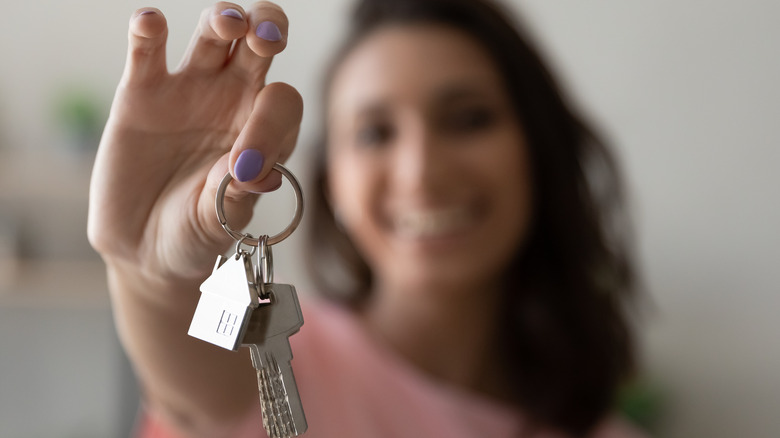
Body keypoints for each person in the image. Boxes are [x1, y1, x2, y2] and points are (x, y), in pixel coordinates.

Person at [88, 0, 645, 437]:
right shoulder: (259, 376)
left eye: (469, 119)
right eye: (375, 133)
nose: (421, 172)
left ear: (538, 151)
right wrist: (148, 271)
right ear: (335, 189)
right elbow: (192, 391)